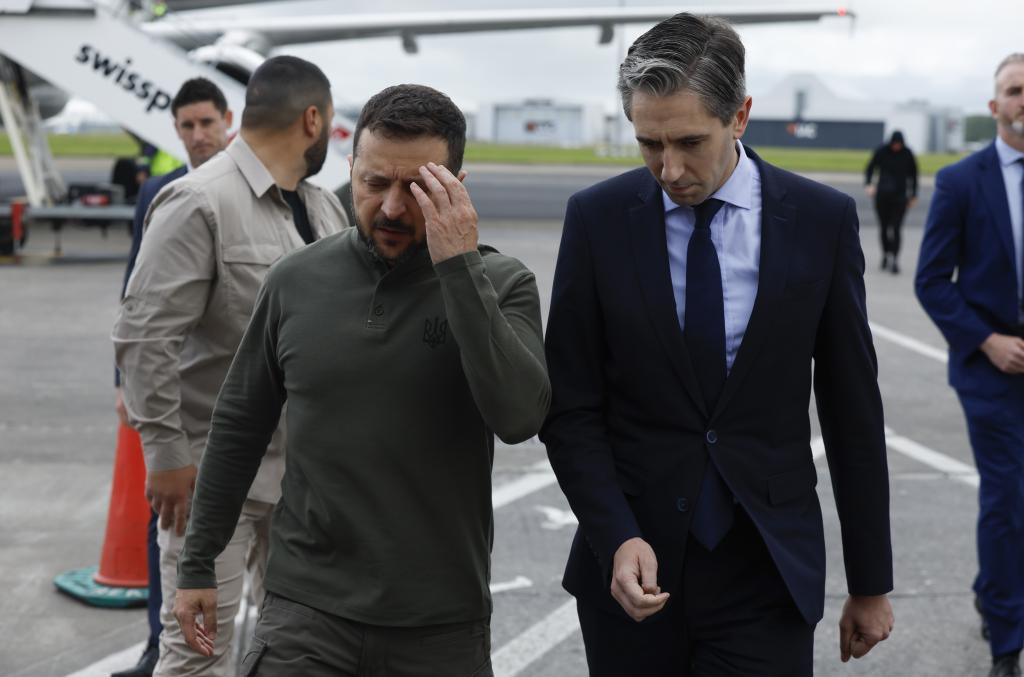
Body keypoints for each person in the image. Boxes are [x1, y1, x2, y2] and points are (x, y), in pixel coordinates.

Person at [540, 13, 894, 676]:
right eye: (649, 144)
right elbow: (571, 407)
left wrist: (870, 579)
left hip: (766, 565)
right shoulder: (596, 220)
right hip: (631, 568)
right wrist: (615, 535)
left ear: (741, 115)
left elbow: (851, 408)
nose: (669, 168)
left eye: (688, 142)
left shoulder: (820, 220)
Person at [169, 83, 550, 677]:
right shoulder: (295, 280)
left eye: (418, 187)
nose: (393, 208)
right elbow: (239, 424)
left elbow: (520, 416)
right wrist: (197, 563)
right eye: (375, 183)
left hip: (439, 621)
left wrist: (459, 269)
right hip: (306, 611)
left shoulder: (501, 285)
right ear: (351, 171)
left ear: (454, 187)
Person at [112, 55, 348, 677]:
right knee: (197, 658)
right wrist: (164, 455)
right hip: (214, 481)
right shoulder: (199, 201)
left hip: (303, 484)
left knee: (296, 654)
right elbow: (144, 336)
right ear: (313, 119)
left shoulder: (324, 208)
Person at [111, 76, 233, 677]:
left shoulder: (244, 192)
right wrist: (122, 384)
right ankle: (158, 646)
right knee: (170, 527)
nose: (198, 136)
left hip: (226, 402)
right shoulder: (161, 192)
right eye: (186, 126)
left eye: (207, 123)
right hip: (169, 394)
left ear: (228, 120)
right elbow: (134, 299)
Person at [916, 53, 1024, 677]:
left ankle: (993, 589)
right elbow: (933, 281)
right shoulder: (962, 181)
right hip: (991, 368)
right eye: (1013, 91)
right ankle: (1007, 644)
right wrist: (986, 340)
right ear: (994, 107)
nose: (1021, 101)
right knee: (1006, 499)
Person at [865, 129, 918, 274]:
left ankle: (894, 259)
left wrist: (914, 194)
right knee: (883, 228)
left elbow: (914, 175)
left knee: (896, 228)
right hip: (882, 195)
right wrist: (869, 184)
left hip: (900, 197)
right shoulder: (881, 151)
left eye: (899, 144)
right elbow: (870, 168)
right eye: (894, 144)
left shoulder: (907, 154)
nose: (896, 146)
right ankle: (885, 254)